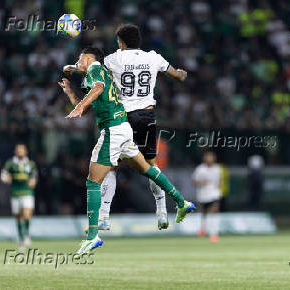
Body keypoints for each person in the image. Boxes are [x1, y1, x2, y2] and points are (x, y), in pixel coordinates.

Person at [59, 47, 194, 255]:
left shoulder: (95, 69)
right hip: (123, 128)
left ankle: (92, 236)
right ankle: (181, 202)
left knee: (93, 181)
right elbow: (87, 105)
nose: (78, 63)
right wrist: (70, 93)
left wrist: (76, 106)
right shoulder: (97, 71)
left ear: (87, 58)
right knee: (148, 169)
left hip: (112, 131)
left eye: (80, 59)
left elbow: (98, 88)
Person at [1, 144, 37, 251]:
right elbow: (3, 174)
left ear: (26, 151)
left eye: (22, 150)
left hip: (27, 192)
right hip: (15, 193)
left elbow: (34, 176)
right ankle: (21, 240)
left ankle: (26, 235)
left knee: (26, 214)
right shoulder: (10, 163)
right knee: (18, 217)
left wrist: (33, 181)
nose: (20, 151)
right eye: (18, 150)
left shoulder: (31, 164)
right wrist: (5, 178)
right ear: (15, 151)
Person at [192, 151, 222, 243]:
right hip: (204, 194)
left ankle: (214, 233)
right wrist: (202, 183)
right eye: (208, 157)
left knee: (215, 210)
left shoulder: (217, 168)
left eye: (211, 157)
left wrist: (219, 187)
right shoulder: (200, 169)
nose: (210, 159)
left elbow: (220, 180)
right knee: (204, 212)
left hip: (214, 193)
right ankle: (203, 229)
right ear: (204, 159)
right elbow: (194, 181)